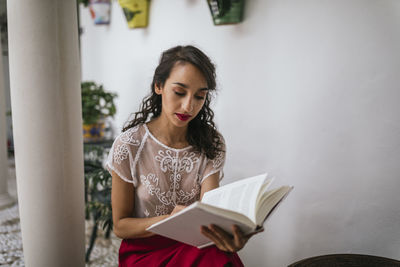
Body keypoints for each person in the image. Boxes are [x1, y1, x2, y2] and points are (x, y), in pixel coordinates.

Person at [106, 45, 260, 266]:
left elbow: (209, 213)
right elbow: (121, 226)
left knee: (218, 256)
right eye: (179, 92)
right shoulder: (129, 145)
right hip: (145, 251)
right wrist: (169, 221)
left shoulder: (211, 143)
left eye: (200, 96)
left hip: (196, 245)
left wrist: (229, 237)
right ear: (159, 86)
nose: (189, 106)